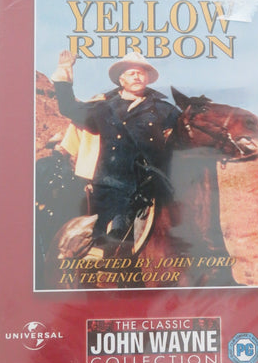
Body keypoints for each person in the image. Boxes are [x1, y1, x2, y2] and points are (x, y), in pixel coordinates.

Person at [52, 50, 180, 256]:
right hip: (107, 186)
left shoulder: (165, 110)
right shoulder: (102, 107)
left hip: (150, 188)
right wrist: (64, 70)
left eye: (141, 73)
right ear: (121, 79)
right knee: (98, 242)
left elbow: (185, 137)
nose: (137, 77)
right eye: (131, 73)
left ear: (148, 78)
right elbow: (69, 108)